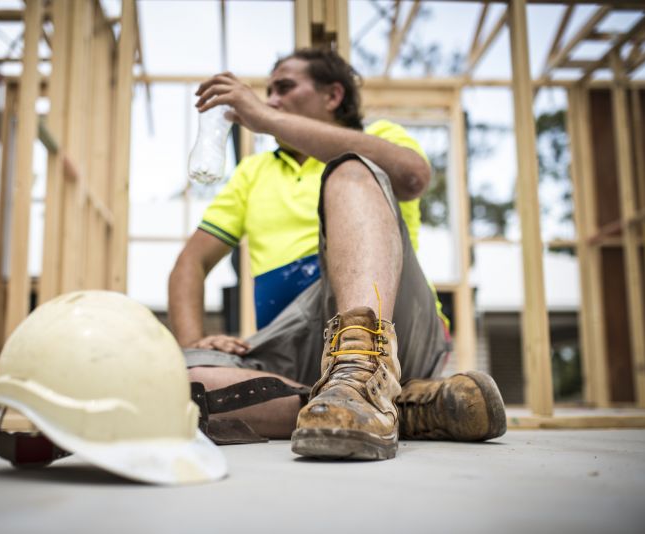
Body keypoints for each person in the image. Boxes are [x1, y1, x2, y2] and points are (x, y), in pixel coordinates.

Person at [168, 48, 506, 460]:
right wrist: (196, 343)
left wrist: (265, 119)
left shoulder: (379, 136)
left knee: (350, 167)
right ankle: (392, 407)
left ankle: (364, 369)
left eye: (285, 88)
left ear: (332, 96)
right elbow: (191, 262)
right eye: (268, 92)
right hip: (291, 354)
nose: (270, 99)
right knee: (180, 383)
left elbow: (412, 175)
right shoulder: (254, 173)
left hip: (396, 330)